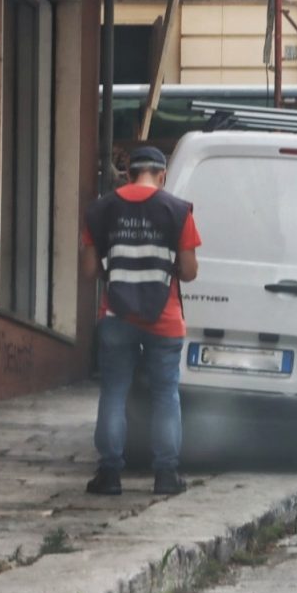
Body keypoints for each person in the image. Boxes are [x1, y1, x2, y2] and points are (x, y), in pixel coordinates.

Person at [81, 146, 201, 496]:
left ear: (129, 174)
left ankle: (110, 475)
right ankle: (165, 476)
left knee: (115, 392)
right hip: (164, 318)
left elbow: (89, 270)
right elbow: (190, 272)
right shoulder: (178, 210)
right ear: (162, 175)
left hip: (117, 314)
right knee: (166, 395)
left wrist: (112, 270)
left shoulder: (101, 209)